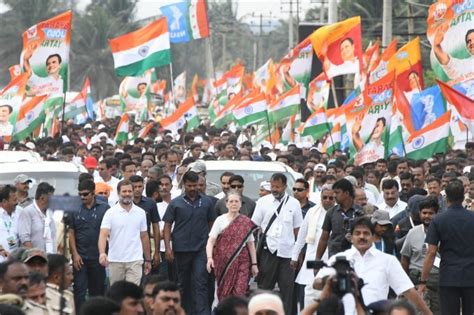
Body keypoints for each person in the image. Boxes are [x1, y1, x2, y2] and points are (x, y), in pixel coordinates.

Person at [315, 217, 432, 314]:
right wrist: (329, 281)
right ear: (351, 237)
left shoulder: (387, 261)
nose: (361, 237)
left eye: (366, 233)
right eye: (357, 233)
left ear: (373, 237)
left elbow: (408, 290)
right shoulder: (338, 259)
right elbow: (316, 284)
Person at [163, 171, 217, 314]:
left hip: (201, 249)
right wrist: (168, 248)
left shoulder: (207, 202)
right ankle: (179, 311)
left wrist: (213, 246)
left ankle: (202, 312)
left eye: (195, 185)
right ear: (184, 185)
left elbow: (212, 224)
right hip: (181, 249)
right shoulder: (176, 203)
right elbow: (167, 225)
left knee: (201, 282)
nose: (193, 188)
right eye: (189, 185)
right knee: (182, 283)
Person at [251, 173, 303, 315]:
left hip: (288, 254)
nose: (275, 189)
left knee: (287, 291)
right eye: (272, 186)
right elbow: (254, 226)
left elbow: (298, 230)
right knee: (264, 289)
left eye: (278, 187)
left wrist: (297, 255)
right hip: (268, 251)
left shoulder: (294, 203)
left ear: (285, 187)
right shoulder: (263, 202)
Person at [420, 179, 474, 314]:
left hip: (448, 276)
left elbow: (431, 252)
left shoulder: (438, 220)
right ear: (463, 196)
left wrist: (423, 280)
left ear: (446, 197)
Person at [206, 191, 258, 300]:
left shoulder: (246, 222)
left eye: (236, 201)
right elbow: (211, 241)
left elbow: (251, 244)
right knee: (225, 294)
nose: (234, 204)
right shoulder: (220, 220)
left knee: (240, 291)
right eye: (231, 201)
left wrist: (254, 264)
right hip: (223, 261)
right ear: (226, 204)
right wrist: (210, 258)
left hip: (242, 261)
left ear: (240, 204)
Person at [99, 180, 151, 286]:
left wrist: (148, 259)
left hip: (135, 260)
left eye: (129, 191)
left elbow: (144, 236)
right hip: (115, 260)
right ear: (118, 193)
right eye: (124, 191)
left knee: (132, 294)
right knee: (117, 294)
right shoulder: (110, 213)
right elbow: (103, 234)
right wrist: (102, 253)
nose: (127, 194)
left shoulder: (140, 213)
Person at [69, 179, 110, 312]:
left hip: (98, 257)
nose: (82, 197)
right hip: (80, 257)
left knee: (97, 291)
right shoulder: (74, 207)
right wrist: (75, 254)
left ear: (93, 193)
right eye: (80, 194)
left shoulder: (105, 208)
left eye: (85, 194)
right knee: (79, 290)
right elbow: (71, 233)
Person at [292, 184, 335, 307]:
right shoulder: (312, 212)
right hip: (312, 257)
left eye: (330, 198)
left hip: (331, 259)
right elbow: (301, 236)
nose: (327, 200)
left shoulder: (339, 214)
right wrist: (294, 256)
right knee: (308, 294)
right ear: (320, 197)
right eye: (324, 197)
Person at [401, 196, 440, 314]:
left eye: (431, 213)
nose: (427, 216)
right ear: (419, 213)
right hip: (417, 281)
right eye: (424, 213)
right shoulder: (413, 233)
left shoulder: (444, 231)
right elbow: (405, 258)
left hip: (438, 283)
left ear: (437, 214)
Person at [316, 178, 363, 259]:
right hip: (335, 257)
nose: (334, 195)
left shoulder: (360, 212)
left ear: (347, 193)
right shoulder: (331, 212)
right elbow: (324, 238)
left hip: (356, 257)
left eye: (337, 192)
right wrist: (317, 261)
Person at [130, 175, 161, 268]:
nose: (137, 189)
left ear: (143, 187)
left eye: (140, 186)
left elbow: (156, 227)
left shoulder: (150, 203)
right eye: (134, 187)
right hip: (128, 247)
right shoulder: (123, 203)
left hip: (144, 247)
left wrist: (156, 252)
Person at [18, 182, 56, 253]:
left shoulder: (49, 213)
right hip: (35, 260)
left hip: (51, 258)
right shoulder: (27, 212)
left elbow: (53, 236)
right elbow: (25, 239)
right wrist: (35, 255)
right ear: (42, 198)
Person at [0, 185, 20, 262]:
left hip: (15, 261)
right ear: (4, 201)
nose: (17, 203)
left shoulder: (20, 212)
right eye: (14, 200)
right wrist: (3, 252)